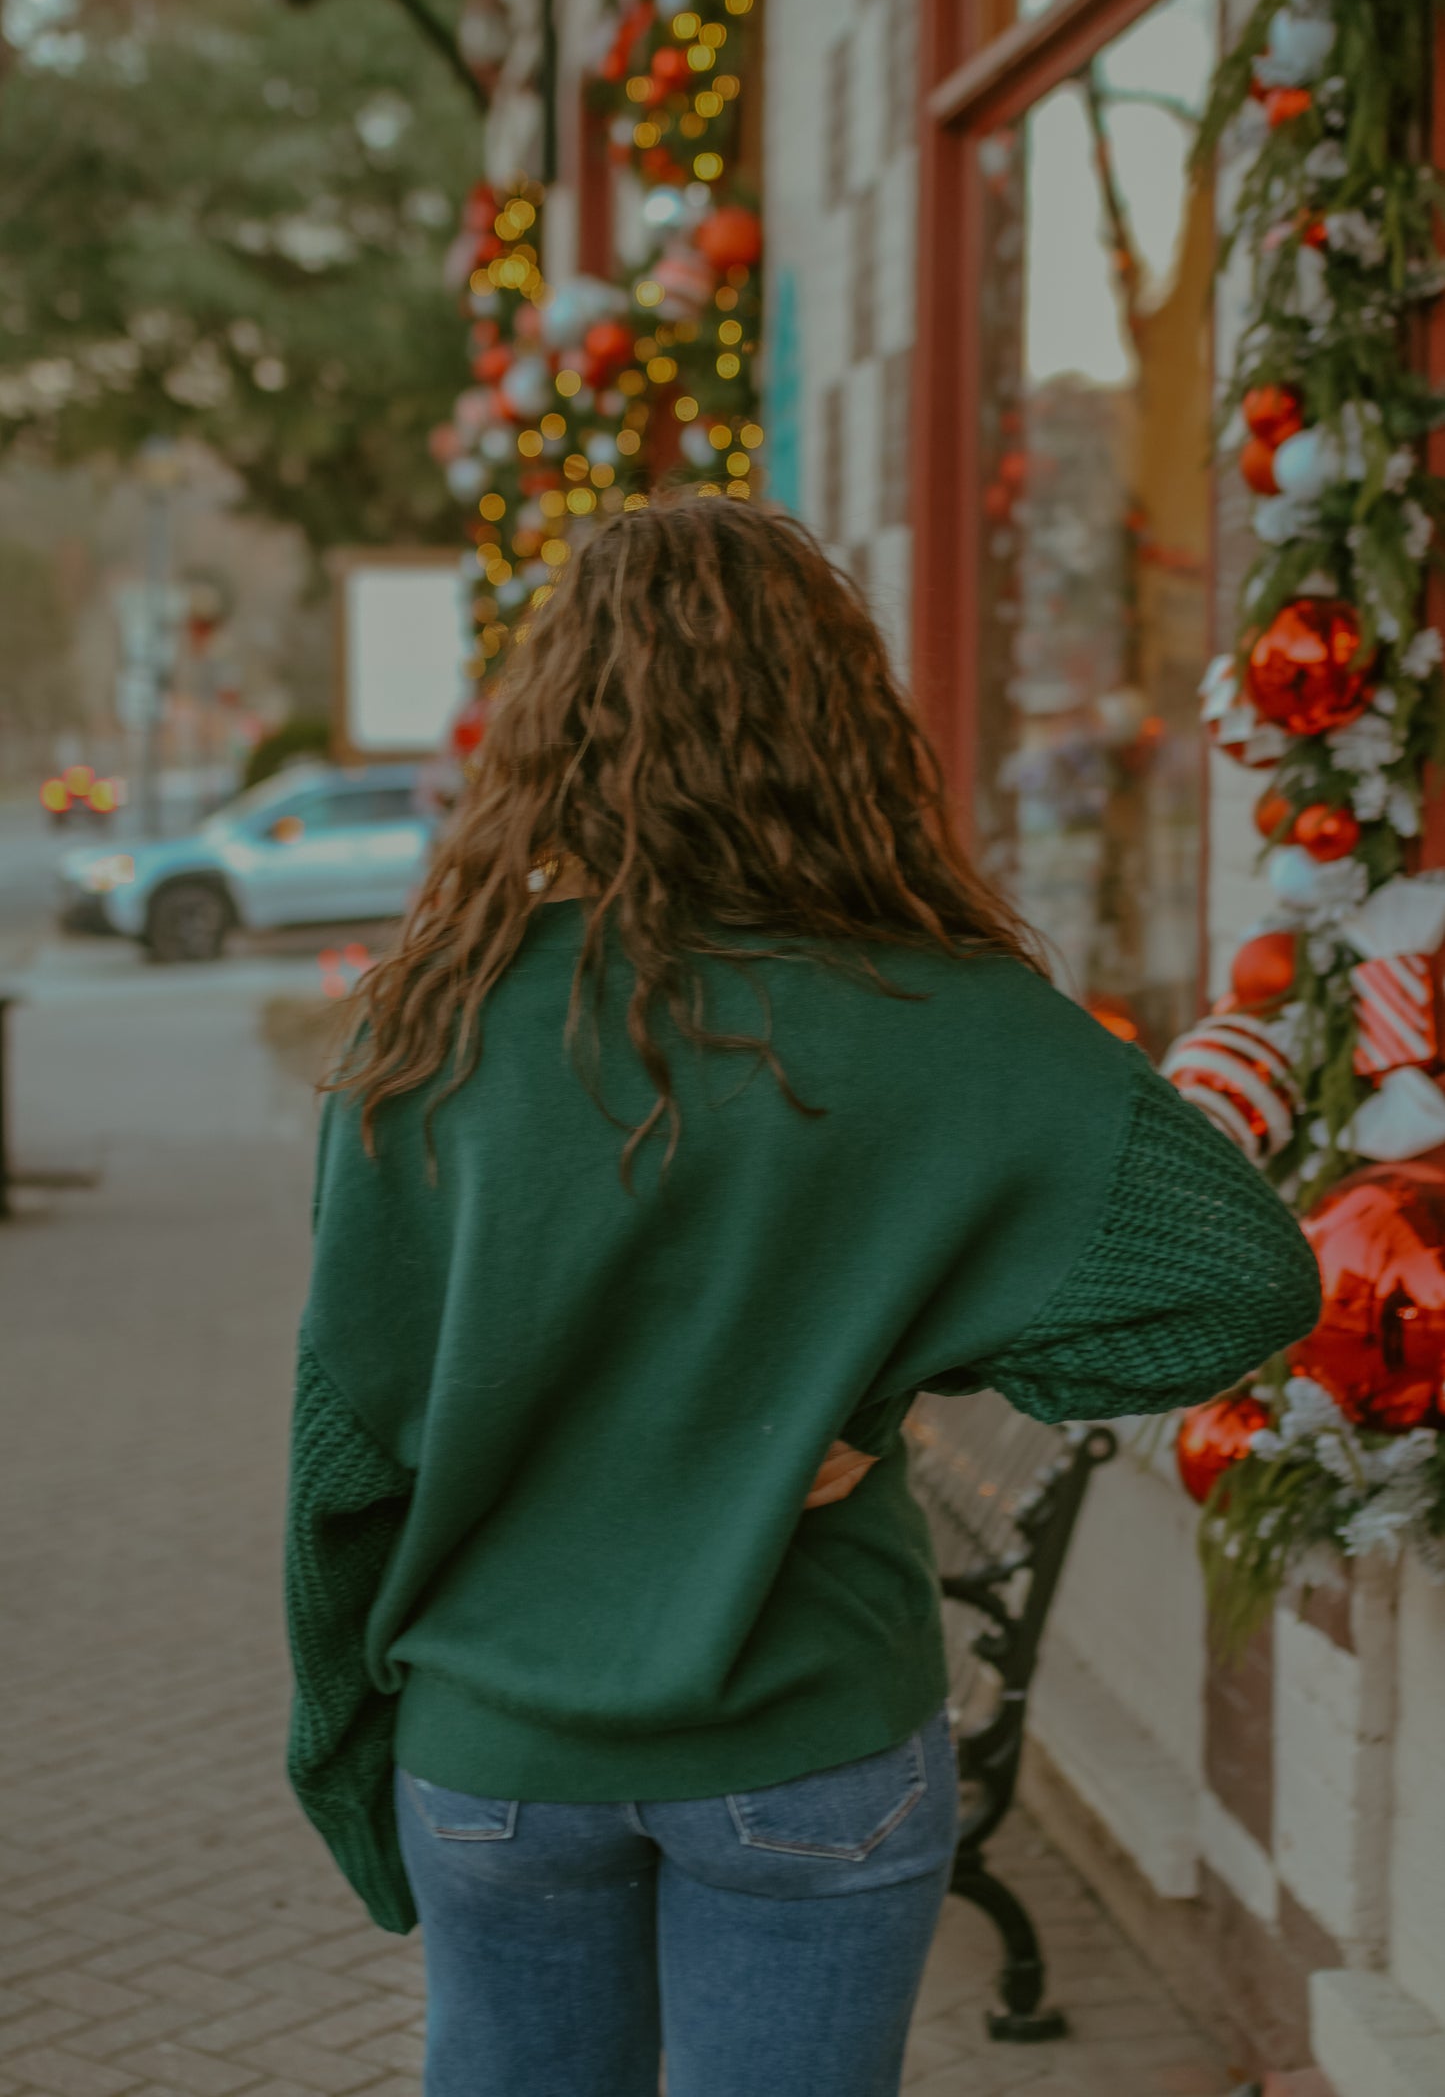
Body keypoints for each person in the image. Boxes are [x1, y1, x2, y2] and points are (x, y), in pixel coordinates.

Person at [283, 494, 1320, 2097]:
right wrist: (888, 1372)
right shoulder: (946, 1014)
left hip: (498, 1750)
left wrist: (343, 1735)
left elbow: (350, 1443)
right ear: (843, 725)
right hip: (804, 1736)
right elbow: (1241, 1278)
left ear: (555, 727)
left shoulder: (431, 1024)